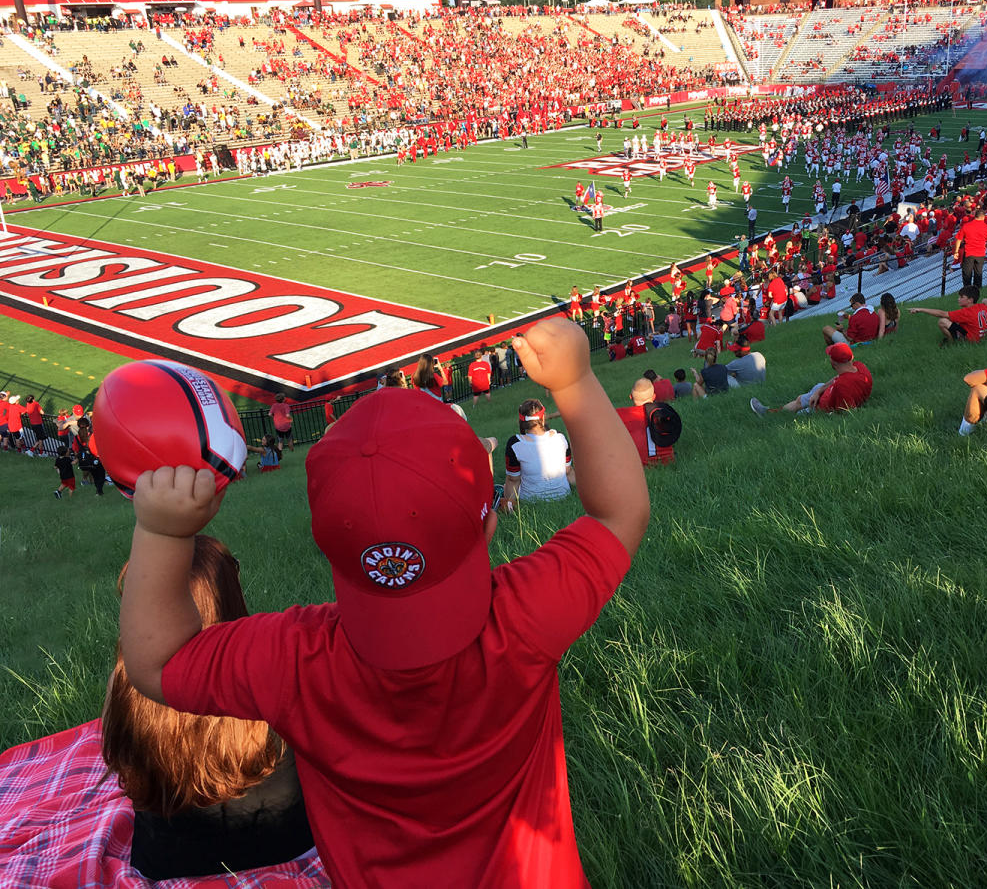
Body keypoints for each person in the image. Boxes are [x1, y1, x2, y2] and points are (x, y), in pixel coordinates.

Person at [117, 317, 649, 888]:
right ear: (489, 521)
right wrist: (575, 382)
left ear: (329, 547)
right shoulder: (525, 618)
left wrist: (164, 534)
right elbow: (619, 512)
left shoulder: (295, 662)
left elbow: (156, 663)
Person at [102, 535, 313, 880]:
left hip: (166, 862)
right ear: (230, 593)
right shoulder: (275, 671)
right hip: (287, 846)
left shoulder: (124, 686)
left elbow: (122, 765)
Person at [749, 343, 871, 416]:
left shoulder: (843, 386)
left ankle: (770, 414)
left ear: (834, 363)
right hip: (825, 393)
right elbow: (837, 378)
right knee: (811, 392)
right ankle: (772, 411)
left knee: (799, 413)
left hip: (820, 408)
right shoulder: (860, 367)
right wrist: (820, 391)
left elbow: (848, 412)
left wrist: (823, 412)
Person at [502, 397, 575, 510]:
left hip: (530, 500)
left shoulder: (515, 443)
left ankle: (508, 505)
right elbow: (568, 470)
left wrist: (509, 501)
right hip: (563, 495)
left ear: (522, 421)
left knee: (507, 483)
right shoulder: (560, 437)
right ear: (543, 419)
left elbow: (513, 480)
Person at [617, 378, 678, 466]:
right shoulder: (665, 412)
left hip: (638, 465)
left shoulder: (621, 414)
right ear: (654, 396)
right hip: (667, 462)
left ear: (631, 396)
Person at [910, 286, 987, 345]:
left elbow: (942, 314)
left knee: (942, 321)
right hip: (985, 336)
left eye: (961, 297)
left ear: (970, 300)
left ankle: (951, 342)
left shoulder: (966, 312)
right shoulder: (982, 307)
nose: (958, 299)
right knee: (956, 321)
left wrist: (920, 309)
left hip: (972, 341)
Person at [952, 208, 987, 291]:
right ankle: (977, 290)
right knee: (978, 273)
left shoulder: (967, 225)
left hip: (969, 252)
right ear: (983, 217)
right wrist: (985, 246)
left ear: (975, 216)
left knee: (967, 273)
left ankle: (967, 290)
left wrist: (956, 251)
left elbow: (958, 239)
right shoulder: (986, 227)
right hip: (980, 253)